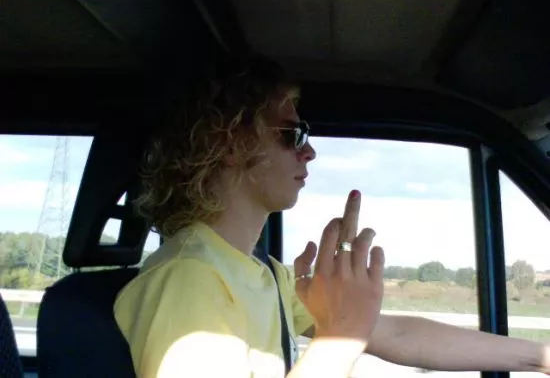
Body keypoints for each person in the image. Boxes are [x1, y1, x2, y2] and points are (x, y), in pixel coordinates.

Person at [114, 55, 550, 377]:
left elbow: (397, 336)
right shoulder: (189, 278)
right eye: (293, 133)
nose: (309, 151)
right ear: (229, 144)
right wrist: (341, 334)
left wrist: (538, 356)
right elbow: (353, 333)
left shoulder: (261, 274)